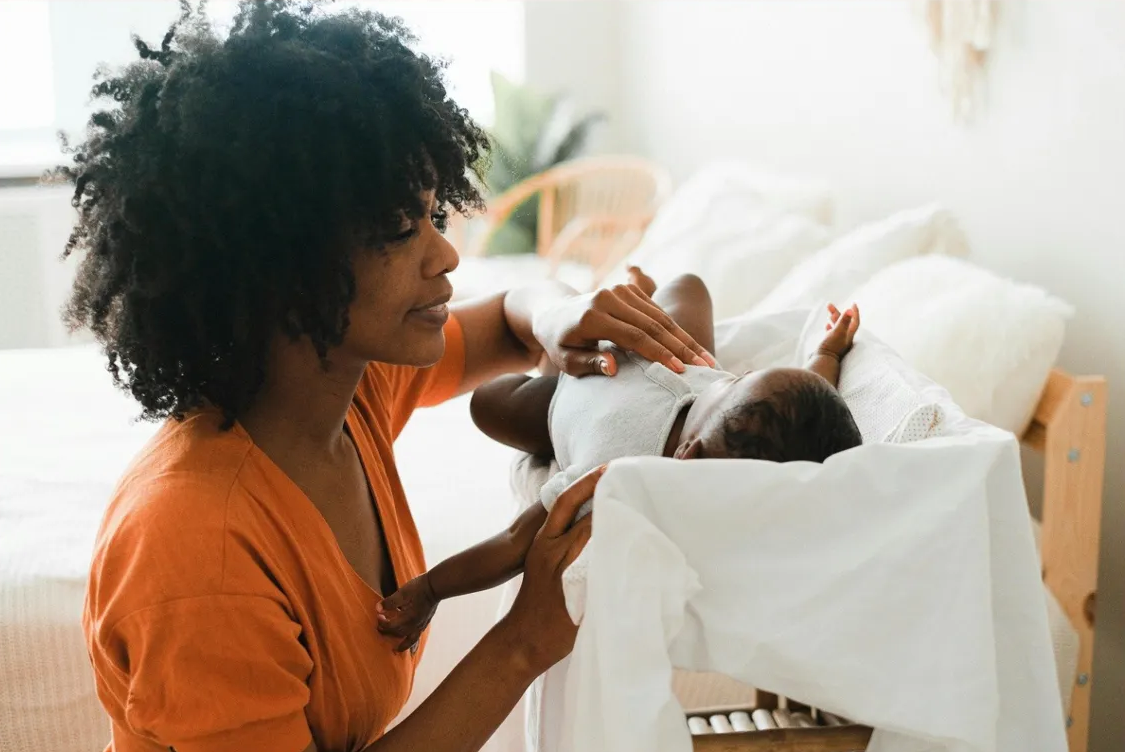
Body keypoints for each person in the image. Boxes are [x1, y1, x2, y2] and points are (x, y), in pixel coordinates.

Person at [62, 4, 713, 751]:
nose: (445, 257)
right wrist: (521, 644)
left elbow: (505, 317)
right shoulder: (196, 553)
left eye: (435, 214)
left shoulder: (342, 390)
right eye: (401, 230)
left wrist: (558, 315)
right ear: (280, 268)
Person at [377, 269, 863, 648]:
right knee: (689, 287)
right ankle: (637, 300)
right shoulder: (709, 386)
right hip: (662, 352)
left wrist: (432, 589)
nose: (732, 376)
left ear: (688, 454)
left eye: (734, 383)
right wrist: (827, 353)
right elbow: (798, 409)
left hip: (565, 402)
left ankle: (567, 350)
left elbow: (512, 544)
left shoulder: (612, 479)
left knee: (488, 402)